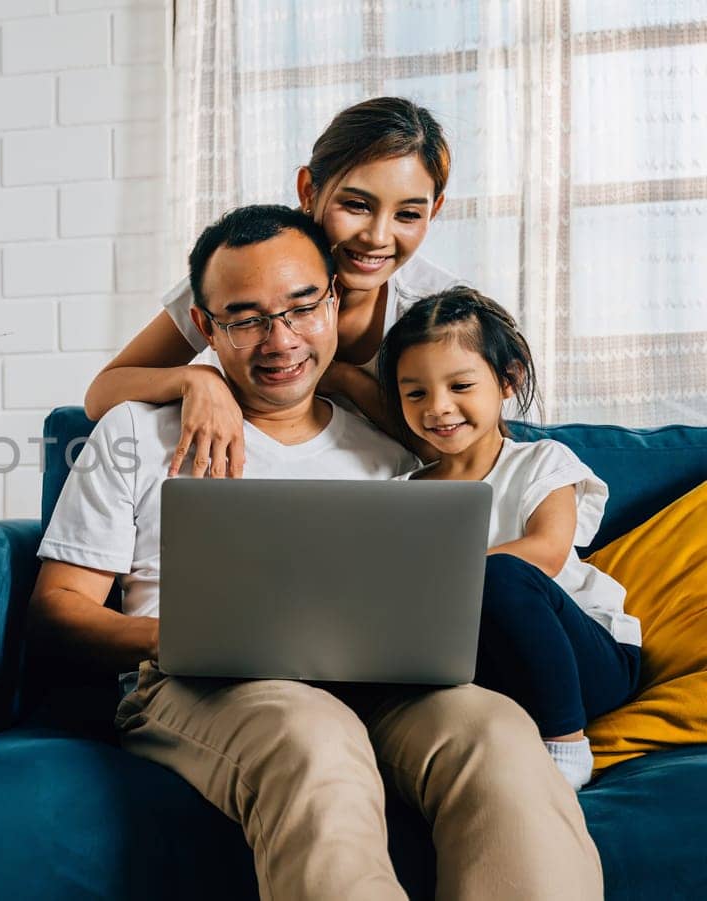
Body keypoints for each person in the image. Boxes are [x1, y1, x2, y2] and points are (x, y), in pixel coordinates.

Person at [31, 204, 602, 899]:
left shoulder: (396, 450)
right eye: (246, 319)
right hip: (204, 687)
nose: (281, 340)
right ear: (206, 328)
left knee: (497, 731)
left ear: (335, 301)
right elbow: (58, 609)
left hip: (387, 687)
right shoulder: (135, 432)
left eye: (303, 307)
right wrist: (195, 640)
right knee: (314, 737)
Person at [84, 96, 460, 478]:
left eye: (408, 215)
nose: (377, 237)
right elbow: (101, 394)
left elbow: (452, 453)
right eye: (357, 205)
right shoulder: (243, 267)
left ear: (435, 210)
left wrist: (345, 379)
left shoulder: (435, 310)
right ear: (309, 191)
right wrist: (197, 379)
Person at [377, 287, 643, 789]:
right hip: (485, 668)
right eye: (416, 393)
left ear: (508, 380)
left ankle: (565, 745)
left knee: (501, 574)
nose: (438, 407)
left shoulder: (543, 462)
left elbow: (546, 551)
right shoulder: (400, 493)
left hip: (586, 663)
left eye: (460, 386)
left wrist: (438, 579)